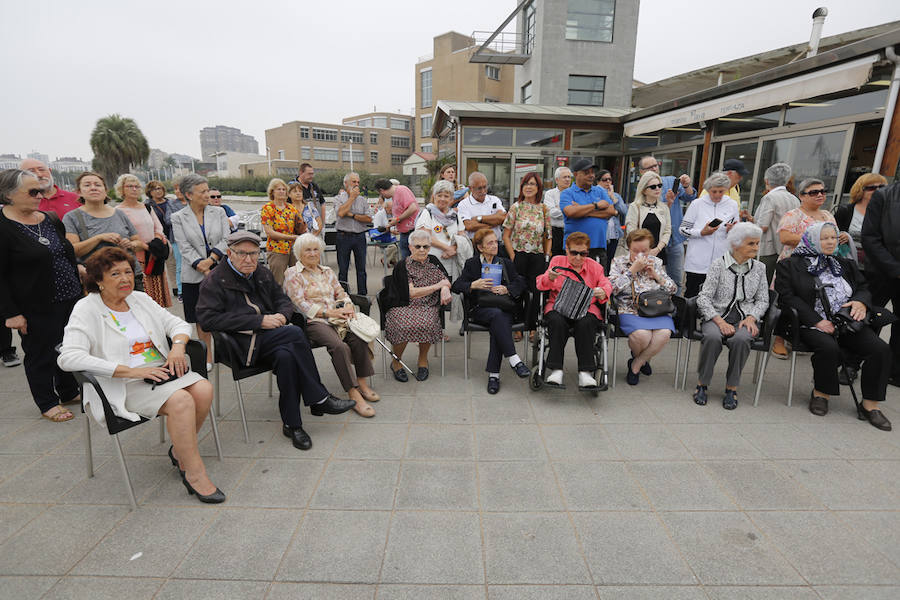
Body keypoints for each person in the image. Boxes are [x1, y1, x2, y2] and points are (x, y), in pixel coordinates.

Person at [58, 247, 224, 502]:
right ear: (98, 280)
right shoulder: (86, 308)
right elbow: (68, 356)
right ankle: (194, 473)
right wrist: (130, 370)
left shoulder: (139, 299)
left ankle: (181, 452)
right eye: (115, 274)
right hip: (122, 383)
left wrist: (177, 348)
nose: (125, 278)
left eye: (127, 271)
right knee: (182, 401)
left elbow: (177, 324)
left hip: (160, 373)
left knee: (203, 389)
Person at [197, 230, 354, 450]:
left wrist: (282, 315)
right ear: (228, 254)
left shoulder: (261, 272)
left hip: (273, 339)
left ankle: (293, 425)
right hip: (241, 346)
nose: (249, 259)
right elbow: (206, 319)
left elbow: (284, 300)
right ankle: (319, 398)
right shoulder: (215, 280)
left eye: (253, 253)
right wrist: (258, 321)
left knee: (287, 357)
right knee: (295, 334)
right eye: (242, 254)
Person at [777, 223, 891, 430]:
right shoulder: (790, 264)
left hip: (846, 322)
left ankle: (870, 405)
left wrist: (860, 302)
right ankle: (821, 393)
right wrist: (816, 321)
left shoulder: (844, 263)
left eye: (833, 237)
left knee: (880, 350)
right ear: (811, 240)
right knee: (828, 347)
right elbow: (787, 297)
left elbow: (864, 288)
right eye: (824, 238)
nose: (830, 242)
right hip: (809, 324)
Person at [0, 169, 83, 421]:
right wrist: (11, 313)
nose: (41, 195)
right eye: (33, 191)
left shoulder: (49, 218)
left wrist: (78, 271)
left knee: (69, 346)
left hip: (70, 296)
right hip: (34, 303)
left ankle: (68, 390)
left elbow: (63, 252)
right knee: (41, 353)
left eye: (42, 189)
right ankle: (47, 401)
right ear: (9, 195)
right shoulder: (3, 227)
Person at [283, 233, 378, 418]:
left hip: (338, 318)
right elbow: (300, 303)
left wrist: (348, 305)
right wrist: (329, 313)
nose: (312, 253)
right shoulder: (292, 274)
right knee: (339, 346)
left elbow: (340, 292)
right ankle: (353, 392)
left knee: (359, 338)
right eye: (307, 250)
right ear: (298, 253)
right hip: (313, 322)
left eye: (315, 249)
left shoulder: (327, 271)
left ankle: (362, 381)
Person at [692, 222, 768, 410]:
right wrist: (718, 321)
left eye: (757, 243)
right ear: (735, 244)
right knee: (712, 337)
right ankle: (702, 384)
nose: (756, 248)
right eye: (751, 244)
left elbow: (763, 300)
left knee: (741, 339)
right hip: (717, 315)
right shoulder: (718, 265)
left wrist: (752, 317)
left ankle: (731, 388)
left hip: (745, 317)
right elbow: (703, 298)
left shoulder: (759, 268)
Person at [452, 228, 530, 393]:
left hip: (503, 308)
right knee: (498, 318)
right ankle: (513, 360)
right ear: (480, 247)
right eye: (490, 243)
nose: (495, 246)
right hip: (481, 309)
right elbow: (457, 285)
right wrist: (474, 285)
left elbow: (521, 282)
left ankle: (495, 375)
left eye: (496, 242)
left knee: (498, 320)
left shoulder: (505, 262)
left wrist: (507, 289)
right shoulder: (472, 264)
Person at [773, 178, 845, 358]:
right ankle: (778, 339)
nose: (820, 195)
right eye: (814, 192)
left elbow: (832, 237)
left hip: (821, 267)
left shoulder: (828, 215)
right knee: (787, 301)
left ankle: (807, 333)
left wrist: (838, 237)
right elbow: (785, 237)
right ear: (802, 196)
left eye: (822, 191)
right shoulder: (794, 215)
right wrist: (815, 239)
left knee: (812, 300)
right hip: (794, 266)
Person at [535, 231, 612, 388]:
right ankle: (556, 370)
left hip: (585, 307)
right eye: (574, 253)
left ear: (587, 252)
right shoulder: (557, 261)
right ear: (566, 250)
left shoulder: (595, 266)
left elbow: (606, 284)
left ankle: (585, 372)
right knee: (556, 321)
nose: (578, 257)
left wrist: (603, 291)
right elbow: (539, 284)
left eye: (582, 253)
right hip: (559, 304)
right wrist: (549, 278)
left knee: (587, 322)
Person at [171, 174, 231, 366]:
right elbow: (184, 246)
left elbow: (226, 239)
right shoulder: (178, 217)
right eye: (203, 191)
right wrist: (201, 265)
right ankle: (207, 357)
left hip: (220, 269)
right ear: (189, 194)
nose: (208, 195)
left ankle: (227, 352)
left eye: (208, 190)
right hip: (193, 274)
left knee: (225, 312)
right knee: (201, 318)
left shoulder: (219, 212)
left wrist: (211, 260)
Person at [608, 229, 677, 385]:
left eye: (644, 251)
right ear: (628, 248)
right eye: (635, 251)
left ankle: (636, 364)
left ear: (650, 249)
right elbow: (612, 288)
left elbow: (673, 289)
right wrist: (632, 271)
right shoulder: (618, 262)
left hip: (657, 309)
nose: (640, 254)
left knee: (664, 334)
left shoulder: (656, 262)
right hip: (630, 308)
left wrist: (657, 276)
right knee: (642, 337)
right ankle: (644, 360)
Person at [383, 229, 452, 382]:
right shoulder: (402, 265)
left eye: (426, 246)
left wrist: (445, 288)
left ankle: (423, 360)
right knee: (402, 325)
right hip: (404, 304)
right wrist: (437, 286)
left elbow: (445, 279)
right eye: (418, 246)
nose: (422, 250)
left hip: (428, 304)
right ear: (410, 247)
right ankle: (396, 361)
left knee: (427, 322)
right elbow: (411, 293)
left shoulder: (433, 261)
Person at [636, 156, 696, 295]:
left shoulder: (669, 181)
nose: (654, 168)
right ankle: (654, 307)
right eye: (649, 167)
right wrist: (667, 203)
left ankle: (674, 311)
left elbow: (690, 197)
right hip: (652, 244)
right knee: (648, 279)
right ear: (641, 172)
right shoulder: (642, 190)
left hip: (674, 239)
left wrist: (686, 186)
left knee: (676, 279)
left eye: (655, 165)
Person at [415, 179, 472, 321]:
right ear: (434, 196)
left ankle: (439, 329)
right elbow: (425, 236)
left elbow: (462, 236)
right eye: (439, 195)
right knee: (431, 298)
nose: (442, 199)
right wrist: (447, 248)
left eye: (446, 196)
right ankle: (431, 330)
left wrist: (454, 248)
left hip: (451, 265)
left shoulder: (455, 215)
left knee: (446, 297)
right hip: (431, 265)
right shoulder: (427, 213)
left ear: (451, 199)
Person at [502, 172, 551, 334]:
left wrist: (546, 256)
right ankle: (517, 326)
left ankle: (531, 327)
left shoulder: (543, 209)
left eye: (532, 184)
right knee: (517, 291)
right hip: (519, 254)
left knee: (536, 292)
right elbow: (506, 236)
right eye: (525, 184)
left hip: (537, 256)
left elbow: (548, 236)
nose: (528, 187)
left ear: (538, 188)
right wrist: (513, 256)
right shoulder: (516, 207)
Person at [862, 180, 900, 386]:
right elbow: (870, 238)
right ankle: (850, 364)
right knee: (868, 318)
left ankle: (894, 371)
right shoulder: (884, 196)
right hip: (881, 271)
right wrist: (895, 269)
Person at [679, 172, 740, 297]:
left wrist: (732, 230)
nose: (717, 195)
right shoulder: (697, 204)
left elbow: (736, 232)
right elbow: (683, 229)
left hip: (721, 261)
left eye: (721, 191)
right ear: (708, 190)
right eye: (714, 191)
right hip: (697, 262)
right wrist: (701, 233)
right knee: (692, 295)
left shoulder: (732, 205)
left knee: (717, 298)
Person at [115, 174, 171, 308]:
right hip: (137, 259)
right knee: (142, 299)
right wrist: (143, 247)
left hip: (154, 256)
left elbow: (158, 227)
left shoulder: (146, 207)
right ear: (122, 190)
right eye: (130, 186)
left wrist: (153, 245)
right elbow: (123, 236)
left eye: (137, 186)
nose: (134, 189)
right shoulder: (118, 211)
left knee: (157, 301)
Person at [559, 158, 618, 267]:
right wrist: (596, 206)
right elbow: (570, 212)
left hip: (598, 247)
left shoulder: (600, 191)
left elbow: (611, 211)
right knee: (573, 282)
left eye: (592, 172)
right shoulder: (567, 193)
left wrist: (581, 210)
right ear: (576, 174)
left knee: (597, 283)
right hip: (574, 250)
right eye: (587, 173)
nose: (591, 175)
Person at [751, 163, 799, 281]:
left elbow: (762, 226)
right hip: (786, 249)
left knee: (762, 284)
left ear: (767, 181)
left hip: (769, 248)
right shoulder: (794, 198)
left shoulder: (769, 197)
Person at [835, 173, 886, 278]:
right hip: (848, 267)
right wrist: (842, 236)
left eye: (881, 187)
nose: (877, 190)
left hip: (877, 269)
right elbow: (830, 235)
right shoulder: (846, 211)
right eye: (871, 188)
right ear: (860, 190)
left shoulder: (889, 213)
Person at [260, 178, 303, 285]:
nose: (282, 191)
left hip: (294, 249)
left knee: (297, 280)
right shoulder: (268, 208)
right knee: (278, 282)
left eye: (284, 189)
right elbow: (269, 232)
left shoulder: (291, 208)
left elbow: (299, 228)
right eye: (278, 189)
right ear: (272, 192)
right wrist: (292, 237)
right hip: (277, 249)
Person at [335, 172, 372, 295]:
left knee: (361, 269)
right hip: (343, 236)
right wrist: (351, 198)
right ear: (346, 184)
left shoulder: (363, 200)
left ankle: (362, 295)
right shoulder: (339, 198)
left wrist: (352, 215)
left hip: (359, 237)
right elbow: (340, 213)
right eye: (353, 182)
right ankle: (343, 295)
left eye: (358, 182)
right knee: (343, 268)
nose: (356, 184)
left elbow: (368, 218)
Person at [146, 180, 183, 301]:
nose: (158, 191)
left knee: (175, 264)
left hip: (173, 235)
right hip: (158, 237)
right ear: (150, 192)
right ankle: (168, 290)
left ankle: (177, 287)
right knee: (166, 265)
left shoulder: (170, 202)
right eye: (155, 189)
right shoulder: (147, 205)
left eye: (160, 188)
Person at [625, 171, 672, 264]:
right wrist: (645, 251)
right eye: (653, 187)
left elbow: (667, 230)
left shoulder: (664, 207)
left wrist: (658, 249)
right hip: (638, 253)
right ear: (644, 190)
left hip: (659, 252)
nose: (657, 189)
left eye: (659, 185)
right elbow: (631, 232)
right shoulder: (635, 207)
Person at [458, 171, 507, 244]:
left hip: (496, 245)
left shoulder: (494, 200)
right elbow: (469, 226)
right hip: (475, 246)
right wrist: (494, 222)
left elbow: (503, 218)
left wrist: (479, 218)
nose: (483, 191)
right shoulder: (463, 204)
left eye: (485, 187)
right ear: (470, 188)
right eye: (479, 188)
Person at [375, 179, 419, 260]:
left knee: (411, 263)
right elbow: (403, 211)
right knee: (405, 263)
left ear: (381, 191)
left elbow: (413, 208)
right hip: (405, 233)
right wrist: (394, 220)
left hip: (411, 232)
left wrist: (398, 219)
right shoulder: (395, 195)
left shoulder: (401, 190)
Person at [597, 169, 627, 270]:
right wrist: (614, 212)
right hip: (600, 233)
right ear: (598, 181)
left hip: (614, 233)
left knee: (610, 260)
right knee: (600, 260)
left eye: (610, 179)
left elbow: (624, 211)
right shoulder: (595, 194)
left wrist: (613, 198)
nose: (608, 182)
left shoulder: (616, 195)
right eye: (605, 180)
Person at [543, 166, 572, 257]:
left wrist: (559, 207)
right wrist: (570, 209)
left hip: (571, 231)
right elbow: (551, 213)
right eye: (564, 177)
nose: (567, 179)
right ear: (557, 179)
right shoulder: (550, 194)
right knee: (556, 260)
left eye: (569, 177)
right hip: (555, 232)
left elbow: (578, 212)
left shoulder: (574, 194)